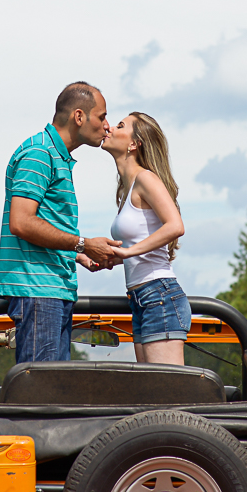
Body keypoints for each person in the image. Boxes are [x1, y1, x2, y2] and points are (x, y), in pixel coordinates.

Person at [0, 82, 122, 364]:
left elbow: (41, 225)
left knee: (52, 394)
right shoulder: (40, 154)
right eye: (102, 116)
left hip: (51, 292)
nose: (107, 125)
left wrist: (78, 254)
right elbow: (22, 222)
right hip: (38, 293)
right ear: (79, 117)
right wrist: (84, 243)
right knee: (41, 397)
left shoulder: (55, 155)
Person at [103, 112, 189, 365]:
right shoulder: (128, 187)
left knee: (167, 394)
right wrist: (114, 257)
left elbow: (175, 226)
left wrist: (129, 253)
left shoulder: (146, 178)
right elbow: (141, 242)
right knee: (151, 393)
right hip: (141, 298)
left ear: (133, 144)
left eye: (120, 125)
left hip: (158, 295)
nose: (109, 127)